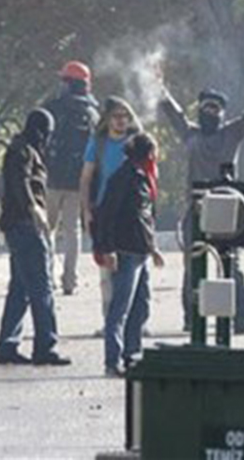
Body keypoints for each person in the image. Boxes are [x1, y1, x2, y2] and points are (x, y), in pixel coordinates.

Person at [159, 62, 244, 334]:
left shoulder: (232, 133)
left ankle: (240, 316)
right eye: (206, 108)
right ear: (200, 110)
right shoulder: (190, 133)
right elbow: (172, 112)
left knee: (231, 264)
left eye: (215, 108)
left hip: (227, 207)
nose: (210, 112)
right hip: (196, 206)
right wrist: (159, 85)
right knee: (194, 265)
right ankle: (191, 317)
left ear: (222, 113)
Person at [0, 109, 70, 366]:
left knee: (20, 289)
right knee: (41, 287)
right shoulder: (23, 151)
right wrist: (33, 208)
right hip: (26, 225)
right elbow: (21, 181)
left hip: (18, 225)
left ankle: (7, 345)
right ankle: (45, 346)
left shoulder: (23, 148)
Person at [95, 133, 165, 377]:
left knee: (140, 306)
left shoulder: (142, 178)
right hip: (125, 251)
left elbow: (144, 218)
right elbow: (106, 214)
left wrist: (153, 248)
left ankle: (132, 356)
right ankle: (112, 361)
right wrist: (108, 249)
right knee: (119, 309)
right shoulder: (125, 178)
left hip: (140, 251)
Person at [80, 97, 143, 322]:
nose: (121, 121)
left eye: (125, 116)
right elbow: (86, 179)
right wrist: (86, 211)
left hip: (132, 216)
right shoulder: (97, 144)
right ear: (107, 120)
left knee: (134, 274)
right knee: (107, 273)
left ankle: (134, 324)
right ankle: (110, 322)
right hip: (104, 213)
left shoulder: (137, 143)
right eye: (116, 116)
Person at [42, 61, 99, 296]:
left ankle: (47, 277)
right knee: (73, 231)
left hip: (52, 179)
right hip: (78, 182)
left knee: (47, 230)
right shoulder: (92, 113)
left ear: (69, 83)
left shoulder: (53, 107)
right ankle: (69, 280)